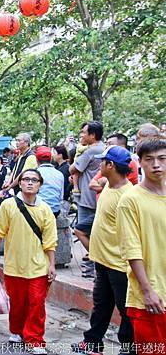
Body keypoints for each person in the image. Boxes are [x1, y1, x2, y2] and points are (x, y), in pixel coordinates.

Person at [71, 146, 135, 355]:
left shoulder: (128, 197)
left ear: (111, 165)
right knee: (101, 305)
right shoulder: (109, 185)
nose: (99, 165)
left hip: (119, 265)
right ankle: (93, 343)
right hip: (103, 261)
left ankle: (128, 348)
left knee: (126, 311)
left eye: (103, 162)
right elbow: (96, 184)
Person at [0, 169, 57, 355]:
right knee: (18, 302)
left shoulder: (45, 210)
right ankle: (17, 330)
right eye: (26, 179)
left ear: (39, 185)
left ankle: (35, 339)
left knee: (37, 303)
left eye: (34, 180)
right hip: (14, 265)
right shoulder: (8, 205)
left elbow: (50, 240)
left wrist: (51, 264)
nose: (29, 183)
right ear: (19, 183)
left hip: (38, 266)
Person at [117, 139, 166, 355]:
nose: (156, 164)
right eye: (150, 159)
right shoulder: (130, 200)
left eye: (162, 158)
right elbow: (131, 249)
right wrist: (147, 290)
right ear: (140, 163)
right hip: (151, 296)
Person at [70, 121, 105, 278]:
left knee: (82, 230)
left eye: (84, 132)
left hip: (88, 199)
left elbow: (73, 169)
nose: (81, 135)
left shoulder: (91, 151)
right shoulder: (103, 149)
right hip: (96, 198)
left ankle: (95, 262)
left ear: (93, 135)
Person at [36, 146, 64, 219]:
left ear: (37, 160)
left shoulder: (35, 174)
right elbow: (61, 197)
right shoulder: (59, 174)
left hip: (39, 211)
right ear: (51, 159)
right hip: (55, 211)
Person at [53, 145, 72, 214]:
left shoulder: (65, 168)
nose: (53, 155)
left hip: (63, 200)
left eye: (54, 153)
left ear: (60, 155)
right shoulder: (57, 167)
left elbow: (65, 185)